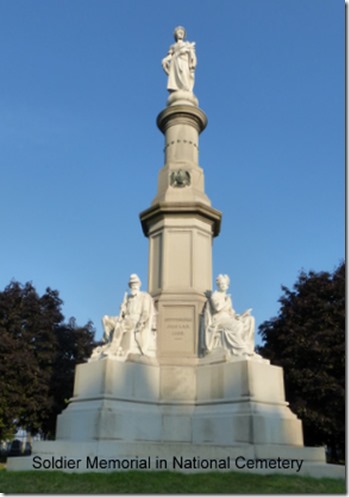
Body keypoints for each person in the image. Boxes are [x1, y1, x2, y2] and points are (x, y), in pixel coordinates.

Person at [90, 274, 156, 361]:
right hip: (126, 319)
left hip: (135, 320)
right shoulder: (128, 298)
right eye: (131, 285)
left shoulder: (145, 297)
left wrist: (141, 323)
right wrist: (123, 309)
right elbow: (124, 314)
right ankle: (108, 342)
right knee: (105, 319)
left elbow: (146, 313)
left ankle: (113, 348)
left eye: (135, 284)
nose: (133, 286)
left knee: (120, 325)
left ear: (139, 285)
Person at [202, 274, 256, 357]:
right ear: (218, 285)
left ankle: (248, 348)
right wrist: (225, 300)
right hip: (219, 319)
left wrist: (240, 315)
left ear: (227, 286)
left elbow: (231, 312)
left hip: (228, 318)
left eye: (224, 284)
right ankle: (241, 350)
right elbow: (217, 308)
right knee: (237, 326)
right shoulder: (215, 295)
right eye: (221, 284)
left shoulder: (227, 297)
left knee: (250, 320)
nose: (223, 286)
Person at [162, 26, 197, 92]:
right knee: (176, 80)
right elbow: (170, 56)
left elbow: (192, 55)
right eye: (179, 33)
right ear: (176, 35)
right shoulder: (173, 46)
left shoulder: (187, 44)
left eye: (182, 33)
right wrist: (165, 60)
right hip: (175, 63)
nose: (181, 34)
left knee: (185, 78)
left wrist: (189, 50)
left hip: (184, 62)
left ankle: (186, 90)